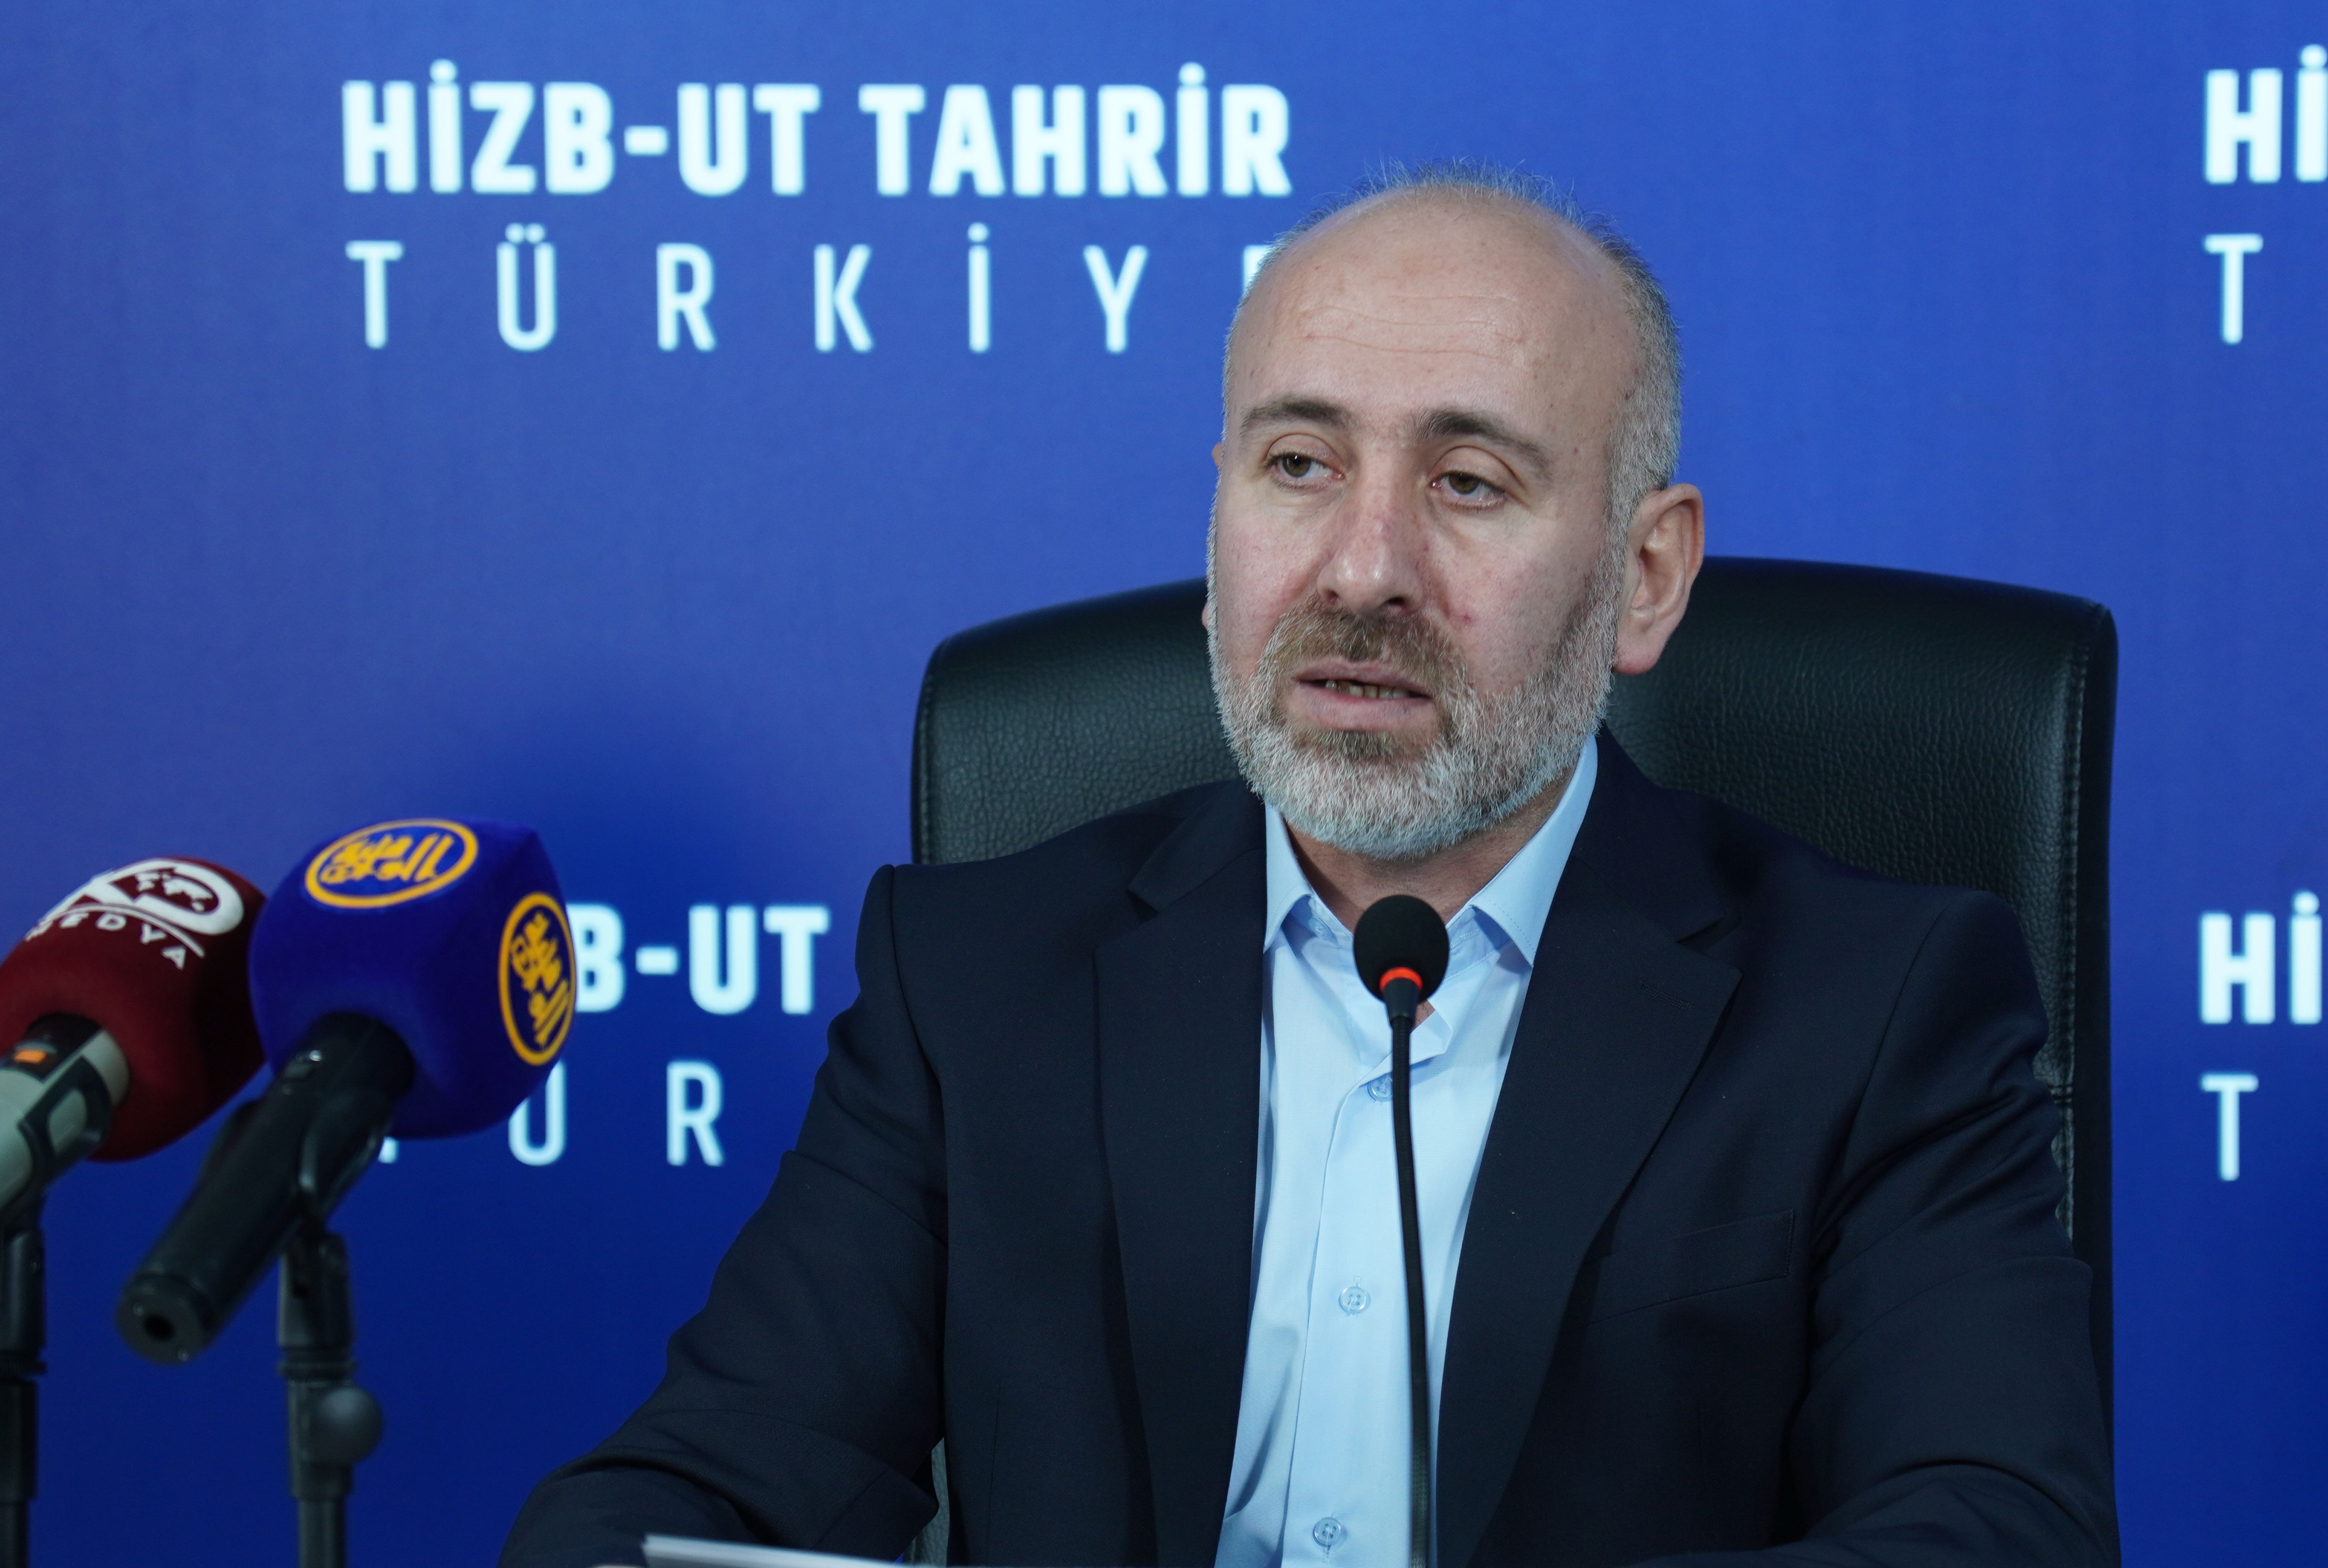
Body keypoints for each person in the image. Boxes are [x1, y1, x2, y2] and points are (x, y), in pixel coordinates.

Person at [503, 163, 2117, 1568]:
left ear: (1645, 576)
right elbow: (685, 1498)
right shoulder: (974, 981)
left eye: (1468, 483)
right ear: (1218, 526)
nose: (1362, 569)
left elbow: (1998, 1531)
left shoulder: (1872, 1008)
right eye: (1299, 464)